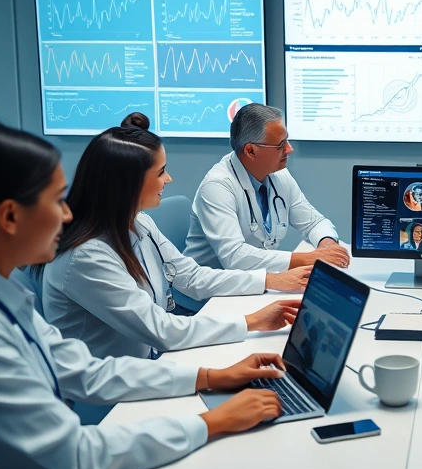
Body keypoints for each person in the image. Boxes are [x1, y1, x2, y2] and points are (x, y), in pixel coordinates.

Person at [0, 121, 290, 469]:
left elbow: (82, 370)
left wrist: (210, 377)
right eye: (57, 200)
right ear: (10, 216)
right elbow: (76, 456)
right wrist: (211, 422)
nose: (68, 213)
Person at [41, 113, 310, 360]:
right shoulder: (86, 256)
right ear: (128, 183)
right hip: (110, 390)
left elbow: (190, 276)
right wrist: (251, 321)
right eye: (160, 172)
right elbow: (160, 331)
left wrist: (270, 280)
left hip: (147, 363)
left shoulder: (138, 222)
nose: (168, 179)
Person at [185, 103, 348, 273]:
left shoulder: (279, 175)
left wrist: (327, 244)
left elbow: (314, 222)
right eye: (280, 145)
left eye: (287, 140)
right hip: (212, 287)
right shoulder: (217, 186)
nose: (289, 149)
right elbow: (234, 257)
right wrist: (308, 259)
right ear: (250, 151)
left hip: (255, 280)